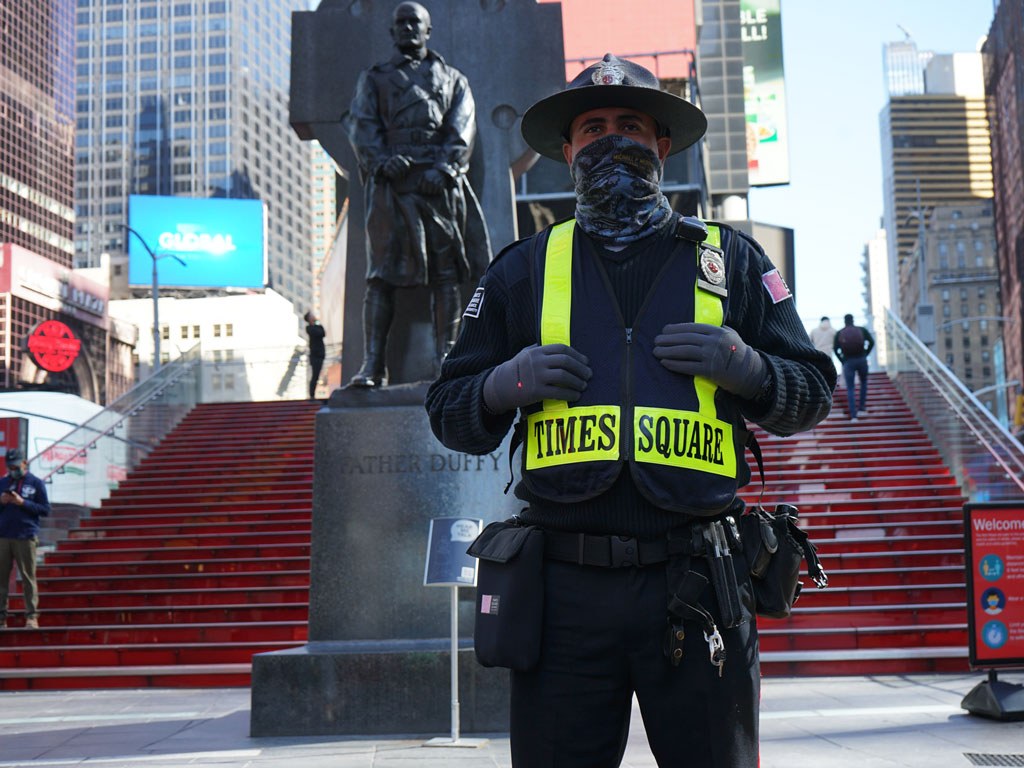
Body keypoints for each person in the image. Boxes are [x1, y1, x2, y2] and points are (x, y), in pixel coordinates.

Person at [425, 54, 836, 767]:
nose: (612, 140)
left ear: (664, 143)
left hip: (700, 580)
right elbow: (447, 409)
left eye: (630, 125)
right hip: (562, 594)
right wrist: (502, 385)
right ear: (567, 149)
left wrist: (747, 368)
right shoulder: (521, 269)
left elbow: (813, 390)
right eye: (593, 128)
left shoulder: (732, 261)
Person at [344, 1, 490, 388]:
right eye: (401, 23)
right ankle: (372, 365)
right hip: (391, 184)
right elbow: (362, 125)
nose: (408, 28)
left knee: (445, 274)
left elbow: (463, 124)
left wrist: (445, 167)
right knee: (381, 277)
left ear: (429, 31)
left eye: (415, 23)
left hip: (437, 185)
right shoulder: (373, 79)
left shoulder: (453, 79)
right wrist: (379, 161)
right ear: (392, 32)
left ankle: (449, 358)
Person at [0, 448, 50, 629]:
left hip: (26, 536)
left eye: (15, 466)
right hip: (3, 536)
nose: (12, 469)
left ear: (24, 463)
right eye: (9, 466)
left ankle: (31, 616)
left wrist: (23, 503)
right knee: (1, 579)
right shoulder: (3, 482)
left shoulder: (36, 483)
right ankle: (1, 619)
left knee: (28, 578)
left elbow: (45, 509)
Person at [833, 313, 875, 421]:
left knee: (850, 388)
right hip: (861, 359)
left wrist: (842, 360)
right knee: (864, 383)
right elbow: (872, 342)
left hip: (848, 361)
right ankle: (861, 408)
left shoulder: (840, 333)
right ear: (853, 320)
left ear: (844, 321)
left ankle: (853, 415)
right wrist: (866, 353)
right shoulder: (861, 330)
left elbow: (835, 349)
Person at [304, 310, 326, 399]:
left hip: (320, 354)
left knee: (316, 375)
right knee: (315, 375)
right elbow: (320, 333)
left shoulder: (317, 326)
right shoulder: (309, 328)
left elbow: (323, 333)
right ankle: (312, 394)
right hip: (315, 355)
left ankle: (312, 394)